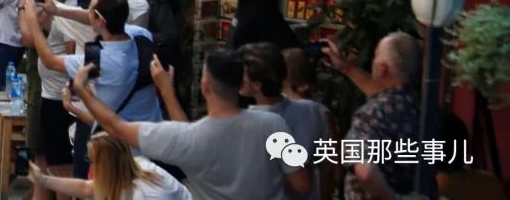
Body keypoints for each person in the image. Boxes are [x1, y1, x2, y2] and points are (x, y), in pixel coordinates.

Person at [72, 49, 312, 200]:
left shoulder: (189, 139)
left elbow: (117, 127)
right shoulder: (274, 125)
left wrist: (83, 91)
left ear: (205, 86)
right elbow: (302, 184)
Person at [25, 0, 162, 179]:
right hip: (148, 140)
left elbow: (50, 60)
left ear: (101, 21)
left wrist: (32, 21)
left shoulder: (104, 61)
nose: (87, 15)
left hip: (119, 153)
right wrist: (56, 9)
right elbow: (93, 19)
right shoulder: (141, 36)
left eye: (90, 11)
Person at [324, 31, 422, 199]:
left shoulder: (370, 115)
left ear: (382, 68)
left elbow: (365, 171)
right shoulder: (419, 107)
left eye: (376, 56)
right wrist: (345, 67)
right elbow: (382, 92)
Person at [27, 0, 92, 190]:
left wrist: (32, 19)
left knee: (62, 166)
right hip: (62, 95)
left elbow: (63, 58)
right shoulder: (77, 2)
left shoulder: (73, 8)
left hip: (62, 96)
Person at [242, 42, 334, 200]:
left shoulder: (246, 124)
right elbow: (329, 165)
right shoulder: (313, 110)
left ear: (256, 84)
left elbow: (302, 184)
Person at [29, 131, 192, 200]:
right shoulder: (134, 166)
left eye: (92, 160)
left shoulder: (144, 195)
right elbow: (88, 188)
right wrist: (42, 179)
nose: (91, 166)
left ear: (106, 165)